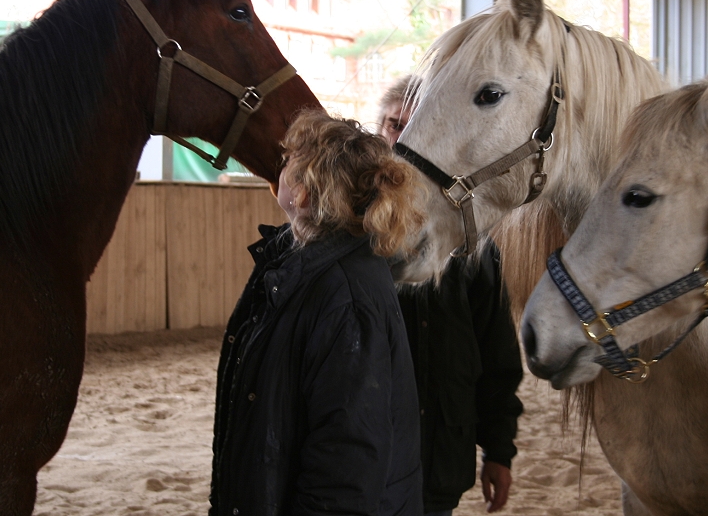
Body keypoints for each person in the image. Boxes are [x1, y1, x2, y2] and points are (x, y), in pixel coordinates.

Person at [210, 109, 426, 516]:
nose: (282, 165)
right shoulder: (297, 265)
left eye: (290, 159)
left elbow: (347, 463)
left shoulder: (344, 294)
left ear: (308, 190)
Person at [378, 76, 524, 516]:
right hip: (367, 458)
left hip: (440, 458)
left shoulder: (472, 239)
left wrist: (499, 450)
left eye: (413, 127)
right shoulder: (346, 228)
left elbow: (496, 348)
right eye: (392, 125)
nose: (402, 139)